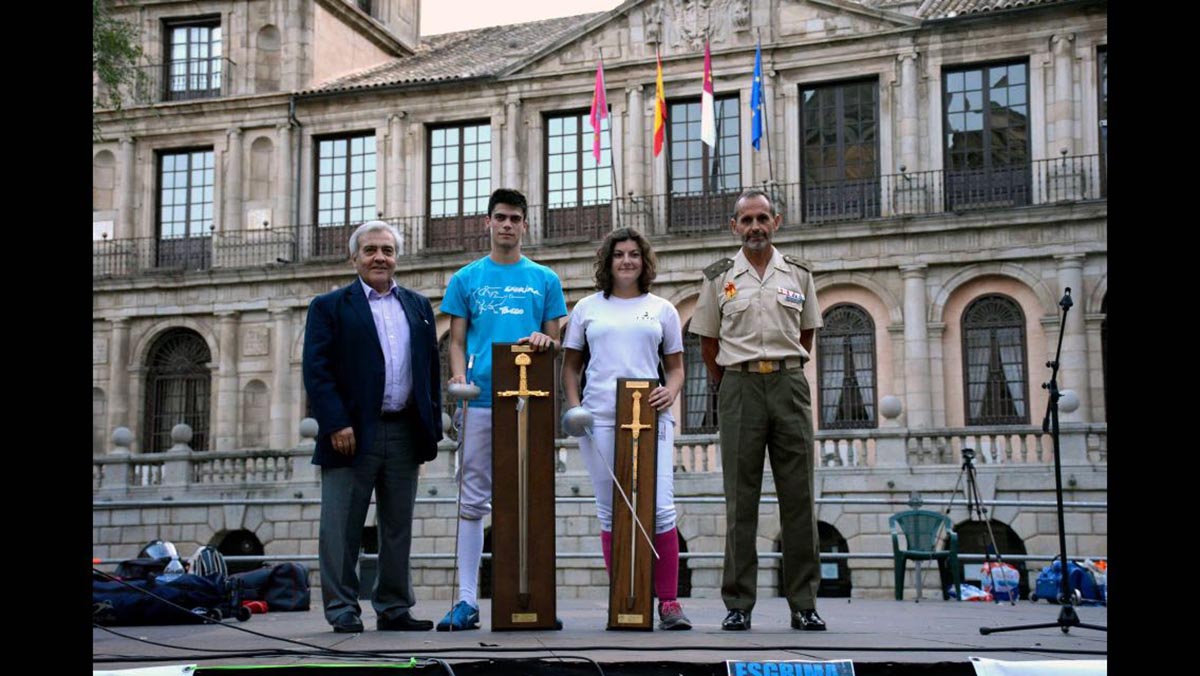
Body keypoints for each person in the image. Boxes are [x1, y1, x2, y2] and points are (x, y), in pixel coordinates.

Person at [688, 188, 827, 632]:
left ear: (776, 222)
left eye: (761, 219)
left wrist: (783, 365)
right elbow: (708, 341)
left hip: (788, 385)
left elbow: (805, 334)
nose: (754, 227)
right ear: (734, 227)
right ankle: (739, 604)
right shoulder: (718, 276)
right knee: (740, 499)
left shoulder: (799, 274)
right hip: (740, 387)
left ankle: (804, 603)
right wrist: (728, 381)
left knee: (799, 499)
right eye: (746, 220)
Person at [302, 220, 442, 633]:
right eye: (370, 250)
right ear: (354, 257)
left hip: (404, 431)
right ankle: (343, 608)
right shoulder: (329, 306)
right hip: (351, 434)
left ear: (397, 257)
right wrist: (336, 423)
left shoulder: (417, 306)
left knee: (397, 525)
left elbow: (429, 370)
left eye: (387, 250)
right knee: (341, 525)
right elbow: (317, 371)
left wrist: (429, 430)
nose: (380, 257)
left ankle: (395, 607)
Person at [438, 188, 568, 631]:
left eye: (515, 218)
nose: (507, 225)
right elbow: (456, 341)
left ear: (525, 224)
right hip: (480, 401)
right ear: (488, 223)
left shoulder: (545, 279)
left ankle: (532, 597)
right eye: (500, 217)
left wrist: (546, 341)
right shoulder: (466, 278)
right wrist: (459, 379)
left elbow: (555, 342)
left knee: (530, 496)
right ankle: (467, 600)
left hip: (530, 402)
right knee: (472, 500)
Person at [561, 227, 692, 630]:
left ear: (644, 261)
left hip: (651, 416)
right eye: (619, 254)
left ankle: (668, 603)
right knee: (610, 512)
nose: (627, 261)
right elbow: (570, 367)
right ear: (607, 261)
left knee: (662, 512)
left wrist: (670, 392)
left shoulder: (662, 309)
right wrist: (575, 407)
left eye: (634, 254)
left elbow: (675, 369)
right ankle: (623, 596)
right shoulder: (586, 308)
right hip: (599, 417)